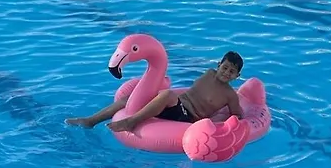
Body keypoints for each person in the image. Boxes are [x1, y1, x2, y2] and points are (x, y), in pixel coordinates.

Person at [65, 51, 245, 132]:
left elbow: (237, 115)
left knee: (166, 94)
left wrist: (221, 125)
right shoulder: (209, 73)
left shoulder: (230, 95)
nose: (226, 73)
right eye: (225, 68)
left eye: (232, 72)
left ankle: (131, 122)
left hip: (187, 116)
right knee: (132, 98)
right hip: (175, 105)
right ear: (218, 65)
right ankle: (90, 121)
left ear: (237, 76)